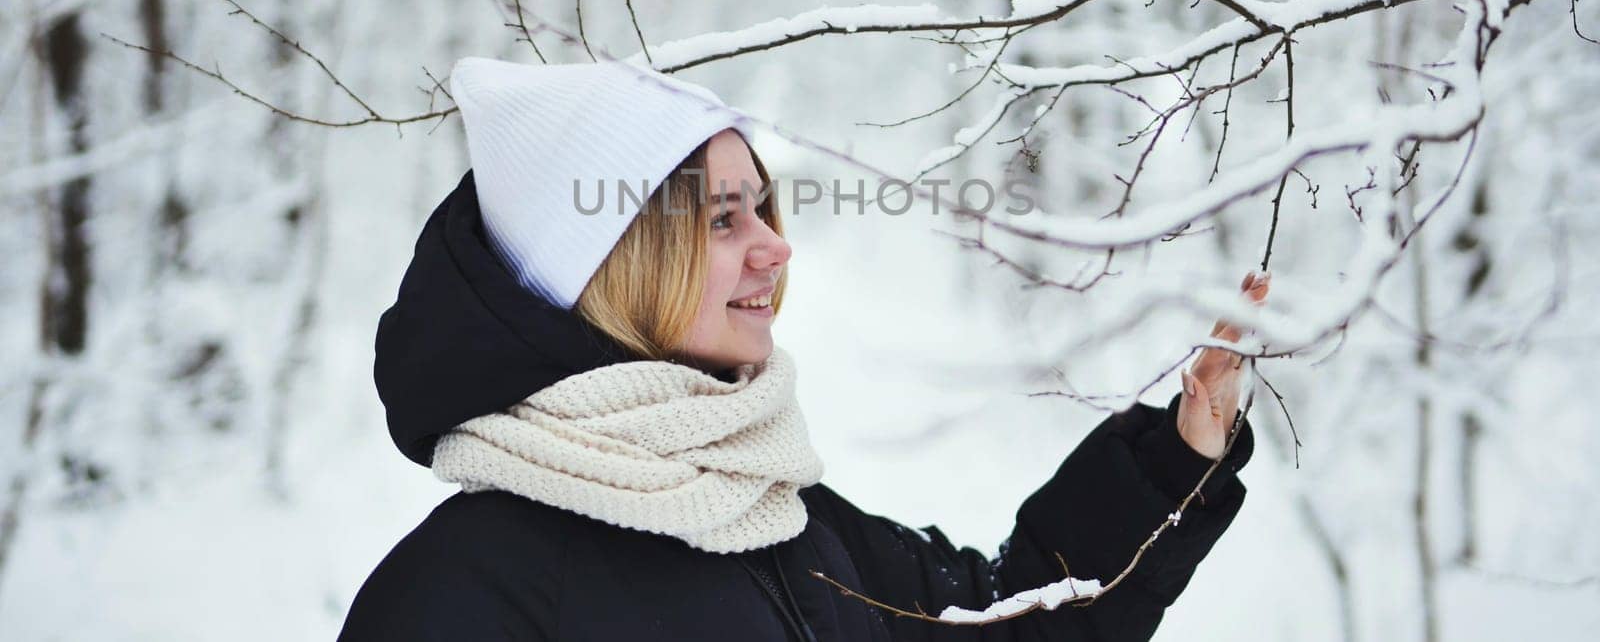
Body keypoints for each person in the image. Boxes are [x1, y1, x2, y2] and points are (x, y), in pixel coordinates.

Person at [337, 56, 1267, 641]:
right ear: (618, 267)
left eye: (765, 208)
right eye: (723, 218)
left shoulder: (775, 513)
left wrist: (1178, 458)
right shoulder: (466, 590)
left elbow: (1002, 613)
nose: (776, 246)